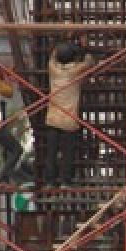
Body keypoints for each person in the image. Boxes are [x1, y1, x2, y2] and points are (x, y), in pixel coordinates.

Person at [42, 39, 95, 185]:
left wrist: (66, 39)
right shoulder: (75, 70)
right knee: (68, 153)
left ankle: (49, 181)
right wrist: (84, 48)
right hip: (69, 119)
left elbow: (53, 56)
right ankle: (65, 181)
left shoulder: (52, 68)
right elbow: (90, 62)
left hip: (53, 118)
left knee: (51, 153)